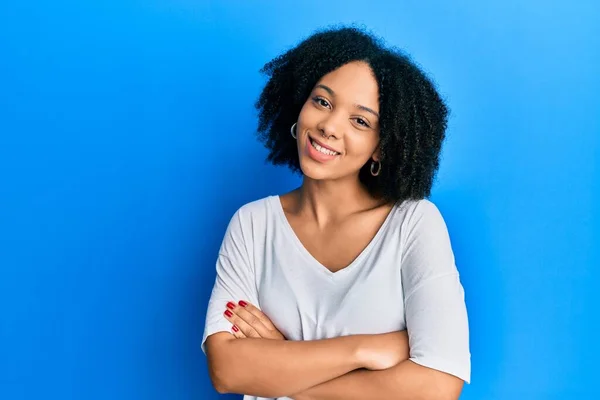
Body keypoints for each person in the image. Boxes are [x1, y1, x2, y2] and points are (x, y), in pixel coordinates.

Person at [201, 26, 471, 400]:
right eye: (322, 102)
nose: (328, 126)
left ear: (381, 147)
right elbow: (227, 370)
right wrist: (364, 350)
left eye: (360, 121)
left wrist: (281, 366)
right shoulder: (252, 224)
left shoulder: (414, 224)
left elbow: (437, 387)